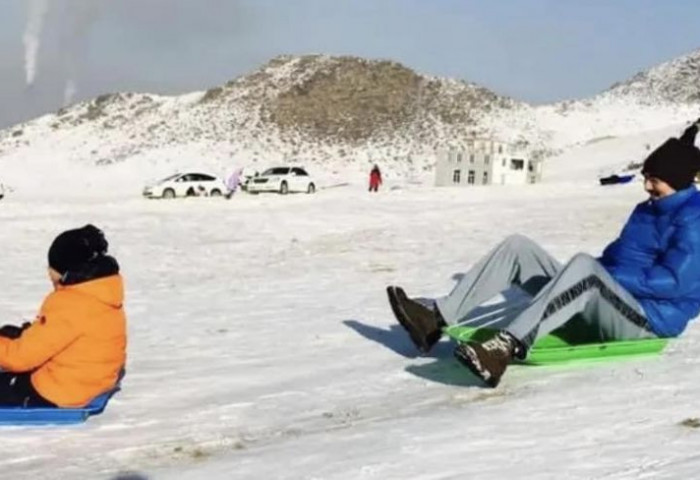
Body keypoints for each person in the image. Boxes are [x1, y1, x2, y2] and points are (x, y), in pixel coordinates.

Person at [387, 119, 700, 387]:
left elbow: (675, 282)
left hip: (648, 322)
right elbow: (615, 262)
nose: (645, 186)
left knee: (584, 267)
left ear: (677, 181)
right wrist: (584, 278)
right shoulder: (647, 211)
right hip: (616, 303)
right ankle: (435, 319)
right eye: (645, 177)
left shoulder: (694, 218)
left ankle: (503, 349)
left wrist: (600, 276)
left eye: (654, 180)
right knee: (518, 248)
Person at [0, 225, 126, 407]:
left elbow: (20, 358)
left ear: (66, 270)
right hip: (90, 381)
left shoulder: (69, 303)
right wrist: (25, 334)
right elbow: (64, 336)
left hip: (58, 392)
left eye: (51, 266)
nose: (48, 272)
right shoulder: (100, 292)